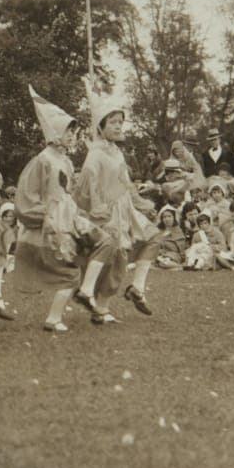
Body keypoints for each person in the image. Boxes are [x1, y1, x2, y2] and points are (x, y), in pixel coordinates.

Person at [72, 81, 162, 324]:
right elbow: (87, 184)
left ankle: (137, 288)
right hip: (106, 213)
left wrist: (141, 202)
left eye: (120, 122)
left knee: (152, 238)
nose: (118, 126)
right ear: (101, 127)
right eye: (113, 122)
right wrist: (97, 209)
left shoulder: (117, 152)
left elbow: (125, 181)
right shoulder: (96, 153)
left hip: (126, 210)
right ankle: (99, 306)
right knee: (115, 257)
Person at [10, 87, 97, 332]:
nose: (72, 135)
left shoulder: (66, 161)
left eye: (73, 131)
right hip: (52, 226)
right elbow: (27, 198)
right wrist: (47, 216)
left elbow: (70, 194)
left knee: (78, 265)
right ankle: (53, 318)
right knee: (69, 271)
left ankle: (63, 313)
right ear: (54, 131)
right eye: (67, 130)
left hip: (67, 221)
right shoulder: (43, 160)